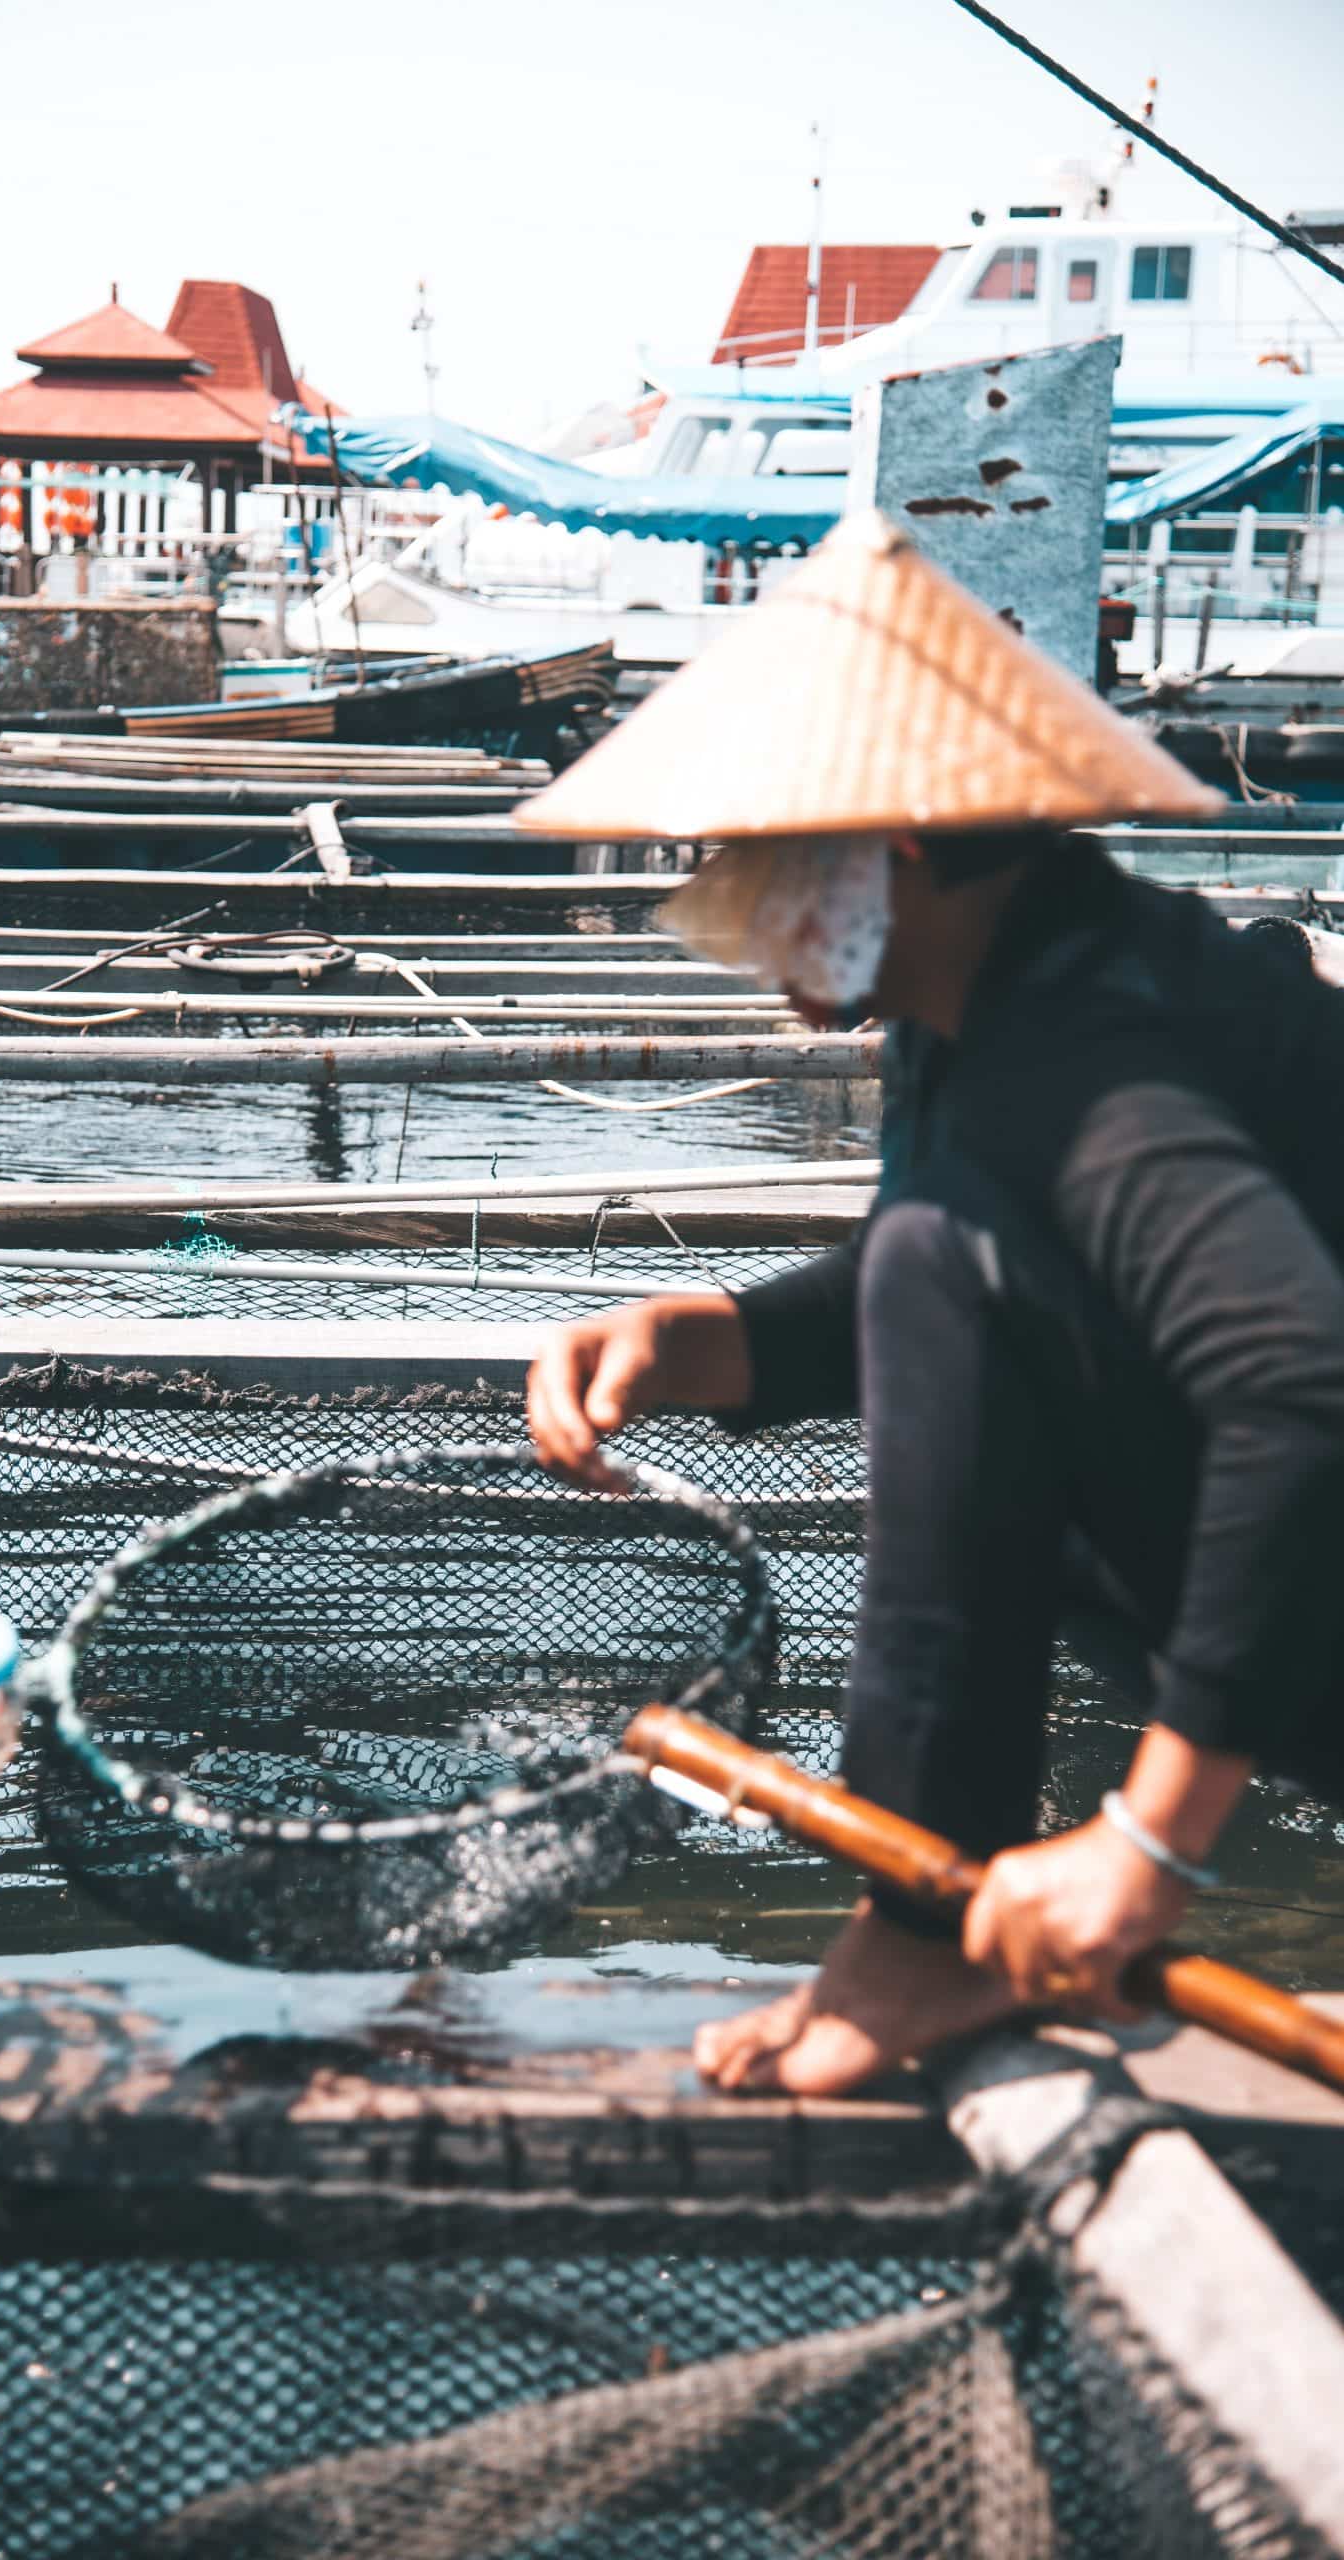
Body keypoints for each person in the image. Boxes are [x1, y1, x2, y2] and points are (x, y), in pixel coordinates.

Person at [516, 512, 1344, 2097]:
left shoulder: (1094, 1061)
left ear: (882, 844)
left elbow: (1298, 1387)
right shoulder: (1006, 991)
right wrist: (711, 1343)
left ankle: (915, 1930)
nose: (726, 905)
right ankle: (915, 1916)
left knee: (920, 1254)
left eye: (748, 864)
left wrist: (1138, 1844)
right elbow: (1002, 1280)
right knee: (917, 1252)